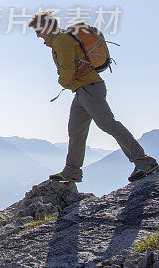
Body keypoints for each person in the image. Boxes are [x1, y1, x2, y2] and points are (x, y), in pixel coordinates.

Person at [28, 11, 158, 183]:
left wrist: (63, 82)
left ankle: (144, 161)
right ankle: (72, 171)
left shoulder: (61, 40)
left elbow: (67, 69)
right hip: (82, 90)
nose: (37, 36)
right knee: (76, 131)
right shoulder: (59, 41)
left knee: (108, 124)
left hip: (89, 88)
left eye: (38, 31)